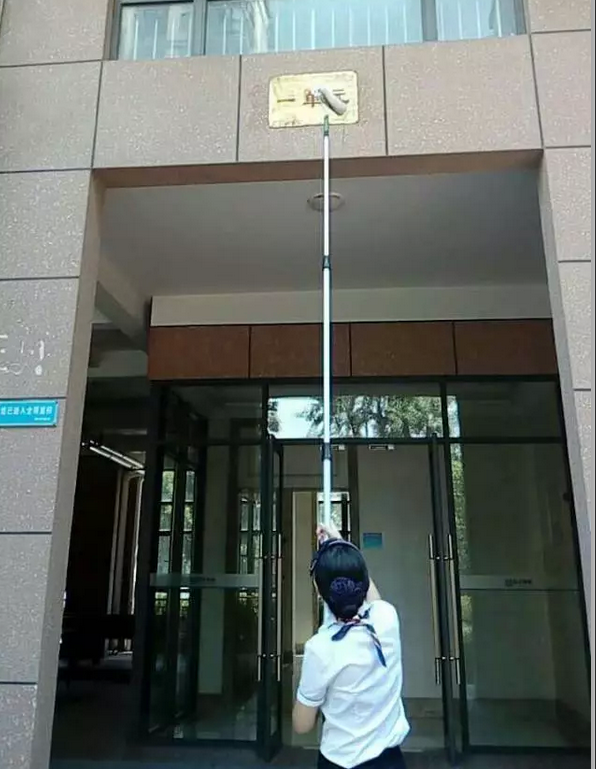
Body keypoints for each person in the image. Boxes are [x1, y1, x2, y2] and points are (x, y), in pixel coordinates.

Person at [292, 522, 409, 769]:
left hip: (341, 761)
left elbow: (302, 725)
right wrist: (341, 543)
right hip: (390, 761)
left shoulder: (321, 648)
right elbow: (371, 594)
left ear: (319, 590)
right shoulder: (386, 619)